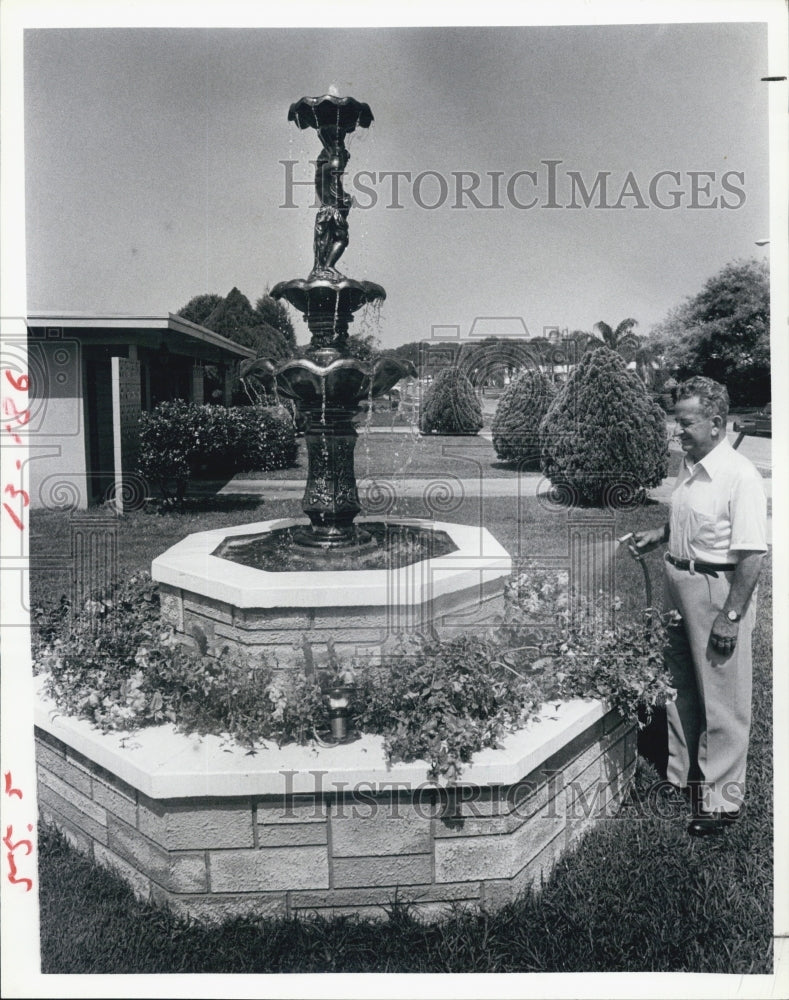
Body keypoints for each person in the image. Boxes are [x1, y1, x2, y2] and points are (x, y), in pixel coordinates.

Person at [632, 376, 767, 836]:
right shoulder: (691, 466)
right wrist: (659, 535)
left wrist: (731, 615)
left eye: (686, 423)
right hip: (678, 580)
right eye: (677, 422)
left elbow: (751, 554)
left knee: (723, 696)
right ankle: (682, 775)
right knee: (679, 685)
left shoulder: (739, 476)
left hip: (716, 589)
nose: (678, 431)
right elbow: (691, 519)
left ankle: (722, 800)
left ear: (716, 423)